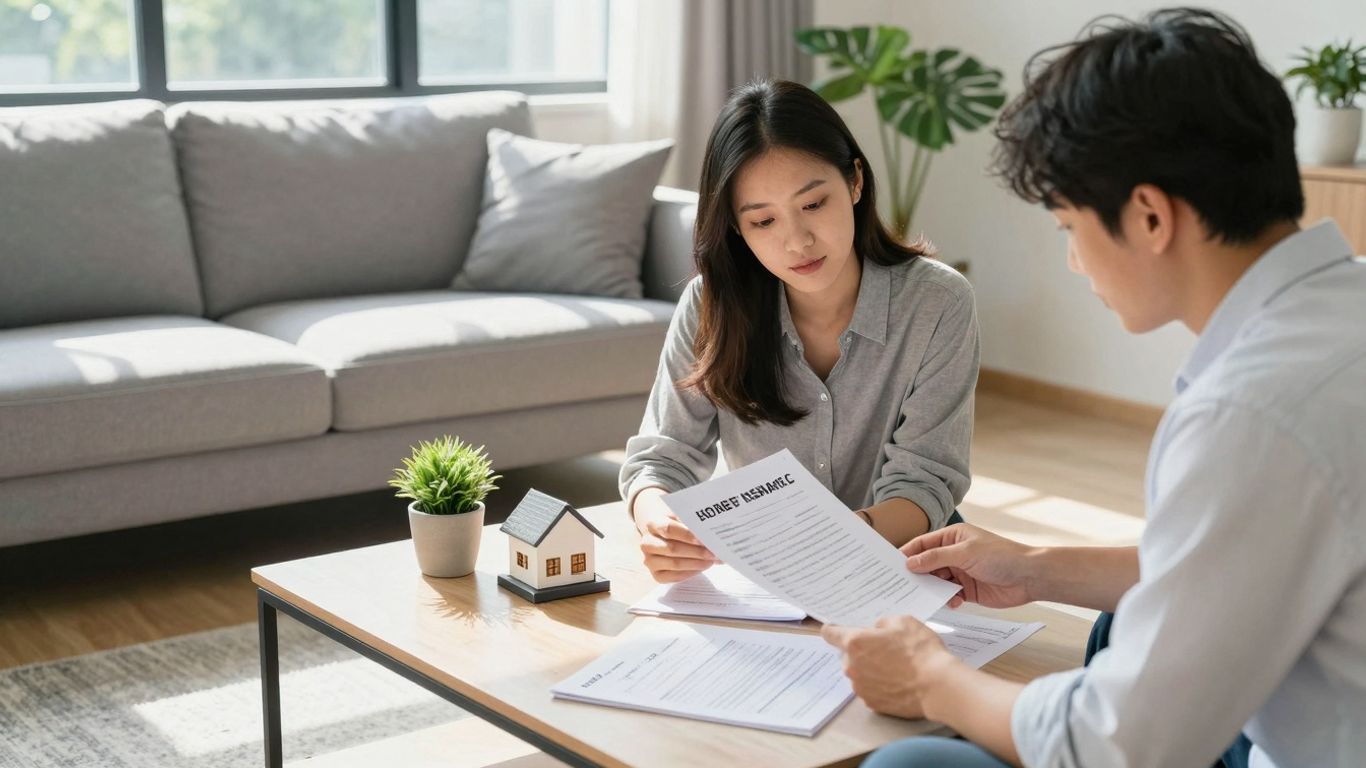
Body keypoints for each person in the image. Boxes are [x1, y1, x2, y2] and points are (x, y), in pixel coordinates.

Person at [822, 8, 1366, 768]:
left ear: (1148, 215)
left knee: (907, 765)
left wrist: (930, 678)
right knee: (1116, 627)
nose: (1075, 263)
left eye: (1069, 227)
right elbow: (1259, 556)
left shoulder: (1252, 413)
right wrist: (1039, 566)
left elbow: (1115, 744)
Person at [619, 79, 980, 583]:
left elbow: (925, 480)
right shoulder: (709, 304)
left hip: (900, 557)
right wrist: (658, 522)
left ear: (855, 182)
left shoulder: (937, 302)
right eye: (763, 221)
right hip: (766, 573)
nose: (797, 242)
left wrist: (836, 539)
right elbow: (663, 457)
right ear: (737, 231)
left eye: (813, 204)